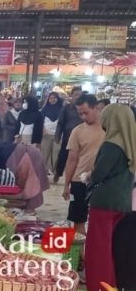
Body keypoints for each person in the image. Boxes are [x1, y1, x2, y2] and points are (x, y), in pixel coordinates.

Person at [85, 105, 136, 291]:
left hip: (105, 201)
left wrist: (89, 175)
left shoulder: (112, 145)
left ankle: (99, 286)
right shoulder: (130, 143)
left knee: (98, 247)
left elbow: (99, 174)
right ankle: (110, 283)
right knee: (109, 246)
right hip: (122, 200)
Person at [63, 94, 105, 235]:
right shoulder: (77, 131)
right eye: (80, 114)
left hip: (101, 181)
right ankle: (82, 253)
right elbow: (72, 159)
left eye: (86, 113)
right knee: (78, 219)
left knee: (99, 220)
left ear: (96, 108)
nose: (83, 117)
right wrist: (66, 185)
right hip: (79, 181)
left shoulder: (109, 129)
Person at [6, 143, 49, 212]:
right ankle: (28, 208)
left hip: (28, 154)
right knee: (29, 184)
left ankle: (30, 209)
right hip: (27, 153)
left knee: (32, 184)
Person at [54, 87, 84, 183]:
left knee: (79, 157)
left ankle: (75, 177)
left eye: (80, 95)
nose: (78, 97)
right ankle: (58, 173)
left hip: (82, 137)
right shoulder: (66, 108)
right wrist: (57, 136)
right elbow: (60, 123)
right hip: (68, 136)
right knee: (63, 155)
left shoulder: (85, 108)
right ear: (71, 96)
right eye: (76, 95)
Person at [40, 92, 64, 174]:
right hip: (46, 135)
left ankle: (54, 171)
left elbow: (64, 122)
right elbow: (40, 121)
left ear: (57, 98)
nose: (52, 99)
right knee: (44, 153)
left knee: (56, 154)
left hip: (58, 135)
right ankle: (43, 171)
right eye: (50, 98)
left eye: (54, 98)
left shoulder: (62, 109)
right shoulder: (45, 109)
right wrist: (43, 129)